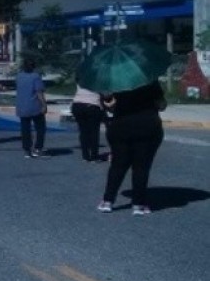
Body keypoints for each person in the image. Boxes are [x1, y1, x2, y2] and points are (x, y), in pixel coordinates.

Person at [97, 80, 166, 216]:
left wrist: (109, 98)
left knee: (118, 165)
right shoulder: (149, 79)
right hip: (147, 125)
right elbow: (161, 105)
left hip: (121, 126)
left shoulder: (112, 82)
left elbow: (110, 108)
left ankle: (107, 201)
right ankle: (138, 204)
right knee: (142, 166)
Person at [14, 58, 47, 158]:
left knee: (25, 129)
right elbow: (38, 92)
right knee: (40, 128)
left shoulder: (19, 76)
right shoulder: (35, 76)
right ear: (33, 66)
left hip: (21, 106)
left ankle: (27, 150)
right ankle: (38, 148)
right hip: (34, 106)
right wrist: (44, 105)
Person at [71, 78, 105, 162]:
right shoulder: (98, 80)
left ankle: (85, 156)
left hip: (77, 105)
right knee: (94, 132)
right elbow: (104, 94)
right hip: (92, 105)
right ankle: (94, 156)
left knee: (83, 132)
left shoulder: (80, 80)